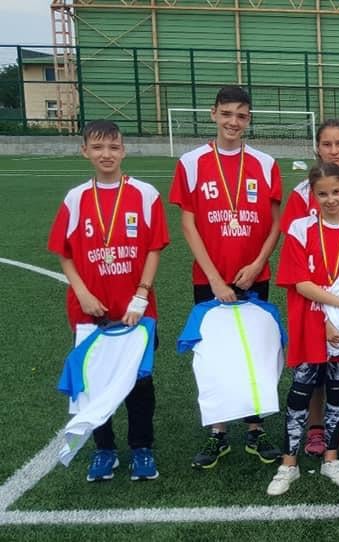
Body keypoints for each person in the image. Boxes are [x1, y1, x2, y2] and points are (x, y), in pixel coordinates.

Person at [169, 85, 284, 469]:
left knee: (256, 352)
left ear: (249, 119)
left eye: (241, 115)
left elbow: (275, 224)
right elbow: (188, 225)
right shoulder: (191, 162)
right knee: (214, 356)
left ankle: (255, 429)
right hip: (209, 279)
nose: (233, 121)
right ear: (214, 113)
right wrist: (215, 279)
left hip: (253, 276)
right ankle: (217, 432)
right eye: (227, 113)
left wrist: (257, 264)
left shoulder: (265, 163)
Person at [48, 120, 170, 481]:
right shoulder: (75, 198)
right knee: (95, 382)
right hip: (89, 312)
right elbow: (64, 253)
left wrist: (142, 293)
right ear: (84, 151)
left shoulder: (145, 194)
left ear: (124, 151)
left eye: (114, 147)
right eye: (98, 147)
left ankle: (142, 447)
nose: (106, 154)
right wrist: (83, 293)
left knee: (140, 382)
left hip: (136, 310)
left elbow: (154, 248)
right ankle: (104, 450)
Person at [267, 162, 339, 495]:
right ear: (312, 195)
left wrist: (337, 319)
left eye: (337, 192)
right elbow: (301, 283)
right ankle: (289, 464)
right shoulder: (300, 229)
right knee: (300, 391)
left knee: (338, 391)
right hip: (309, 324)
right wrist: (334, 312)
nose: (331, 199)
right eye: (323, 194)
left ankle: (331, 459)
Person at [281, 119, 339, 457]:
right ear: (317, 148)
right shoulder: (301, 197)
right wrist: (328, 312)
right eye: (327, 144)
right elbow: (296, 260)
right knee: (314, 366)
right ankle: (316, 428)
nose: (334, 150)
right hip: (313, 306)